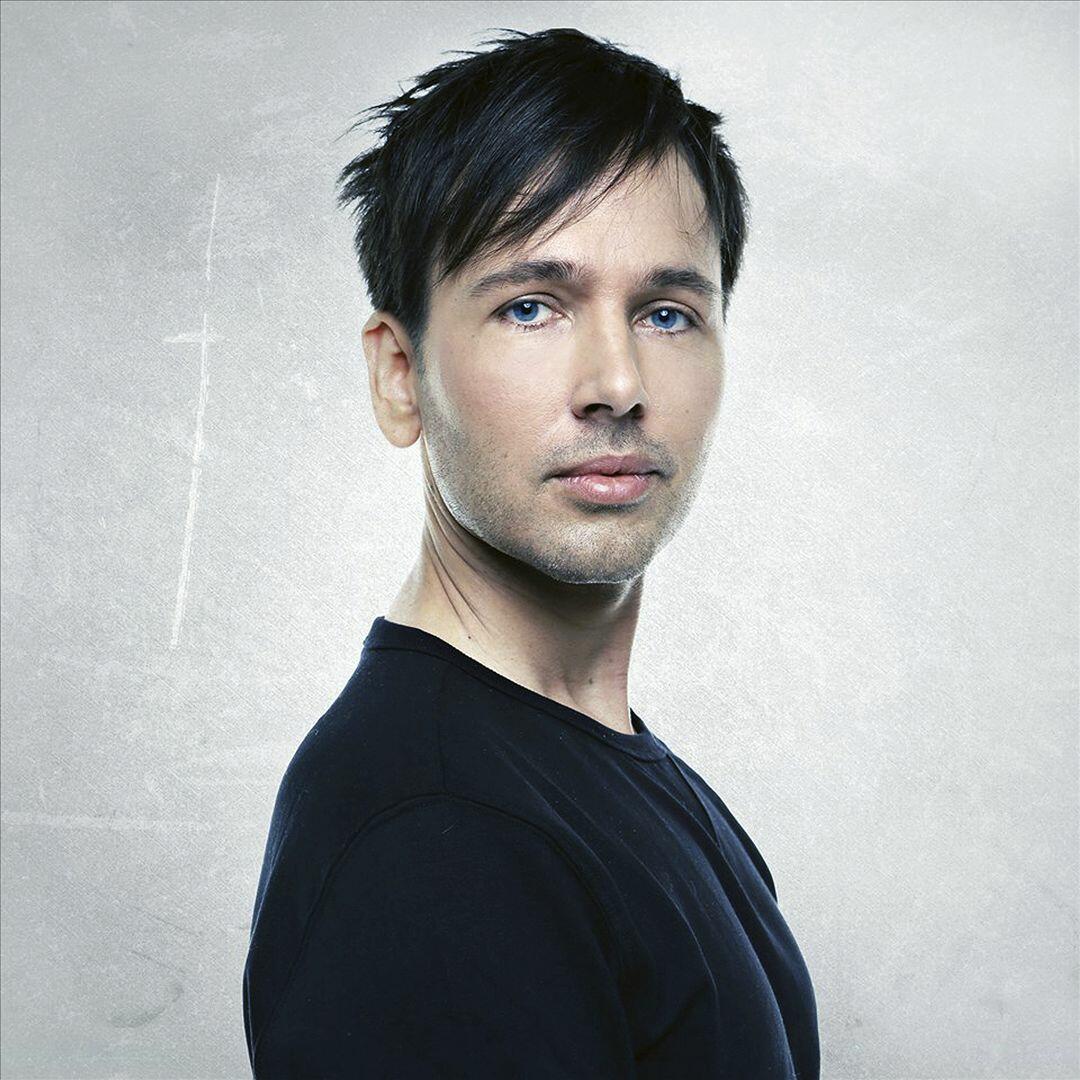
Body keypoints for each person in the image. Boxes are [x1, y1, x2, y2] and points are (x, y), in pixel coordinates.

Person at [243, 26, 820, 1079]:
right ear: (401, 376)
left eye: (667, 313)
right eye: (531, 306)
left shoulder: (610, 775)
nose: (617, 383)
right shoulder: (433, 836)